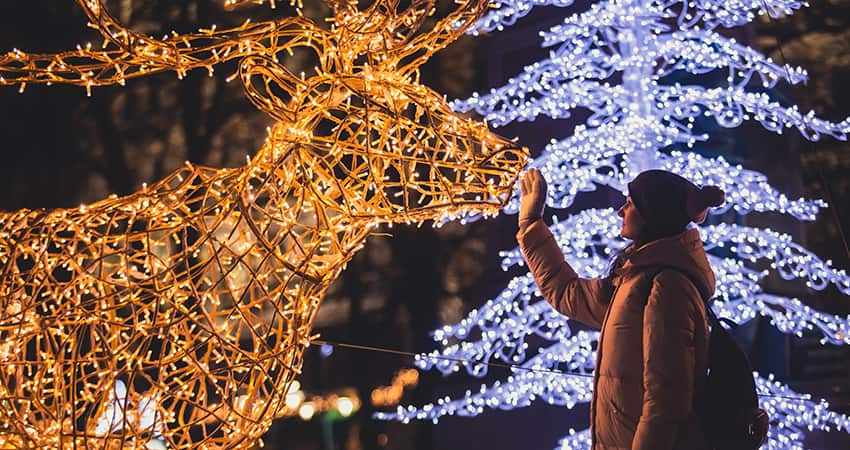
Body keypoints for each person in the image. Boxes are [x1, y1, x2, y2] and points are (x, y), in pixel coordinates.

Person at [517, 168, 726, 450]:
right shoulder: (635, 279)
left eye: (630, 202)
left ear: (653, 213)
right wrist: (531, 223)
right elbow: (568, 294)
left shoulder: (668, 287)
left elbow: (665, 403)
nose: (620, 211)